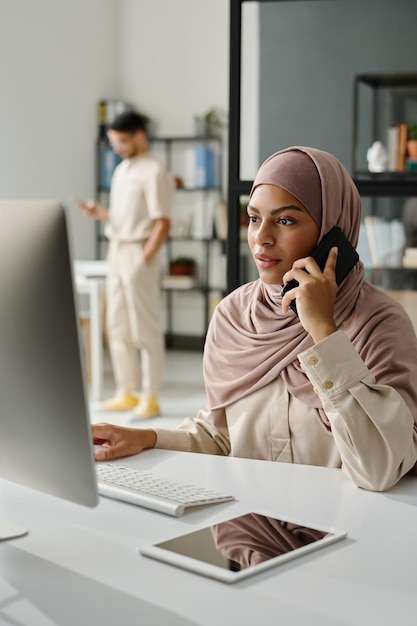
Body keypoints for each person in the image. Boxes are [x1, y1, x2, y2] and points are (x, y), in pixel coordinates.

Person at [92, 146, 417, 491]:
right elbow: (221, 437)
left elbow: (381, 468)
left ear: (332, 232)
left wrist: (324, 331)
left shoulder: (378, 322)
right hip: (248, 529)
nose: (261, 237)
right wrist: (147, 437)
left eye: (285, 220)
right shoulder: (234, 316)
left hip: (349, 531)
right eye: (254, 218)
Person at [80, 111, 172, 418]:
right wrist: (101, 214)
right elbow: (125, 216)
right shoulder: (121, 171)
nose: (116, 147)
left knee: (143, 326)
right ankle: (126, 391)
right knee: (116, 324)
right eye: (113, 142)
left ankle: (151, 395)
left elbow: (162, 222)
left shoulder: (154, 170)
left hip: (137, 253)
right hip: (116, 250)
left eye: (121, 141)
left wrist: (144, 259)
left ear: (139, 135)